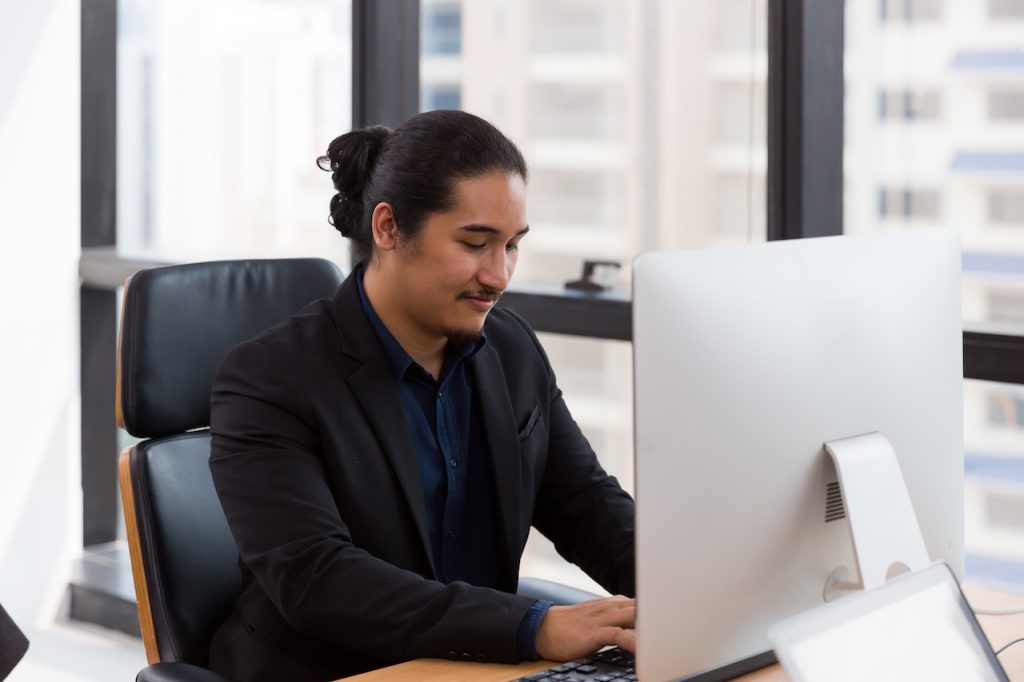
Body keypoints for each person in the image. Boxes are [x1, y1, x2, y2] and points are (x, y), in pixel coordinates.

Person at [207, 110, 636, 682]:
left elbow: (584, 503)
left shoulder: (510, 349)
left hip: (474, 667)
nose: (499, 275)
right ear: (387, 229)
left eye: (511, 246)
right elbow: (317, 578)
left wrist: (688, 593)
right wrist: (534, 626)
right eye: (475, 243)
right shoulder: (270, 377)